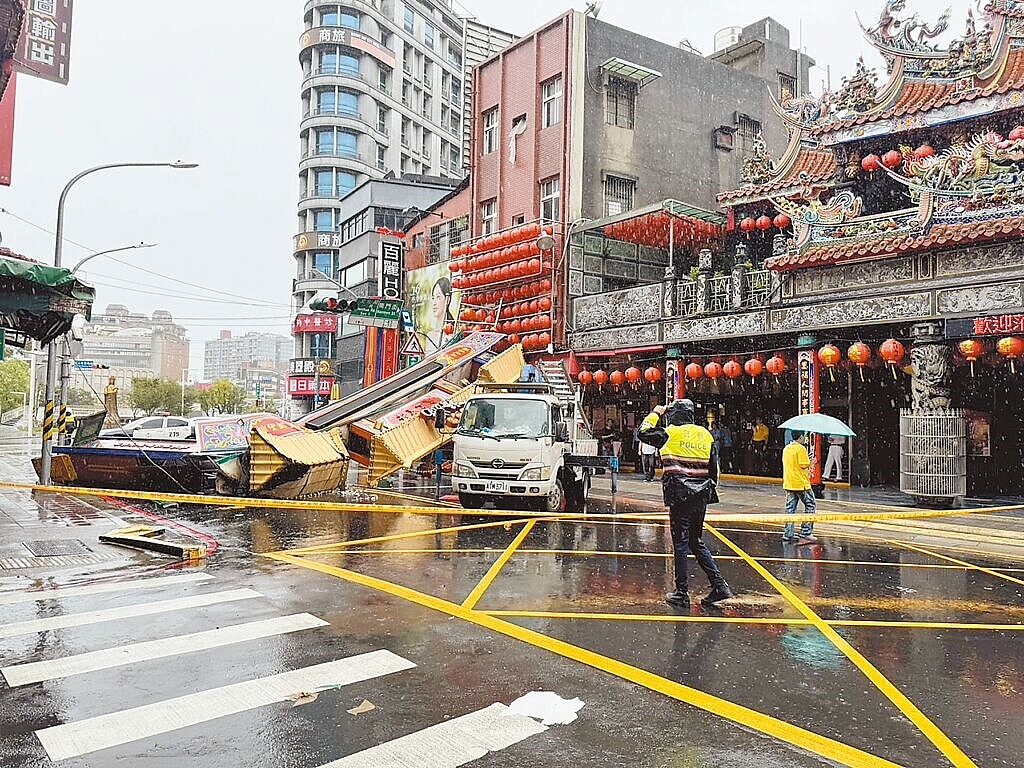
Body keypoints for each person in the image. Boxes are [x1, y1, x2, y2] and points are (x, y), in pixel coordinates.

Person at [639, 399, 734, 609]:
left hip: (679, 493)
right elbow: (714, 470)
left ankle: (681, 592)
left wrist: (656, 412)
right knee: (695, 539)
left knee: (681, 542)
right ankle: (719, 585)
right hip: (701, 495)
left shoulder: (669, 433)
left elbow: (643, 432)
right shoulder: (705, 435)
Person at [782, 431, 817, 544]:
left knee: (790, 509)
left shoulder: (787, 448)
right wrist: (812, 462)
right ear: (801, 437)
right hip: (801, 484)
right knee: (810, 505)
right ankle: (806, 532)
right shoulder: (801, 449)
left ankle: (788, 533)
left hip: (789, 483)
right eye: (804, 436)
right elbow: (803, 465)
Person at [424, 277, 454, 352]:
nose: (434, 303)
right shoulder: (430, 335)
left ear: (448, 300)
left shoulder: (453, 333)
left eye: (438, 297)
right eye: (433, 298)